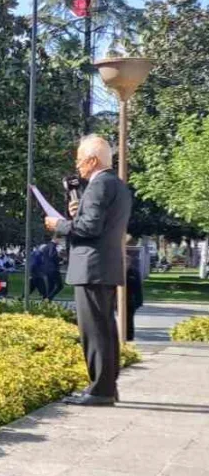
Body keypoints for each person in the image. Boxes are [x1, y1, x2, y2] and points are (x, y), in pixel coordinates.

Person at [45, 134, 132, 406]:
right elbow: (96, 223)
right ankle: (106, 386)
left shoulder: (98, 185)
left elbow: (89, 228)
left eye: (80, 159)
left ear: (93, 160)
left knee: (94, 330)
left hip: (91, 267)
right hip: (104, 266)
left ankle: (100, 390)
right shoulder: (117, 185)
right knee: (105, 328)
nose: (77, 165)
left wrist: (58, 225)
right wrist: (77, 213)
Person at [125, 243, 144, 341]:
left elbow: (138, 288)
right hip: (117, 301)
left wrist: (139, 301)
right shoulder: (117, 271)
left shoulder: (134, 272)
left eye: (127, 261)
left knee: (129, 320)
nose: (126, 263)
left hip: (130, 301)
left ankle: (129, 337)